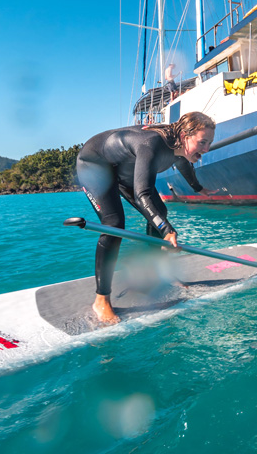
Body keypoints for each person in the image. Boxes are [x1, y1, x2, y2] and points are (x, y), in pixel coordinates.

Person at [75, 112, 216, 324]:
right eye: (202, 142)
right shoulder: (152, 145)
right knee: (114, 225)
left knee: (160, 212)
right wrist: (167, 231)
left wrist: (198, 188)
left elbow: (184, 163)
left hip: (122, 169)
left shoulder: (179, 146)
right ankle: (101, 300)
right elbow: (143, 195)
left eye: (209, 143)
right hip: (94, 165)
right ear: (185, 135)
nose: (206, 149)